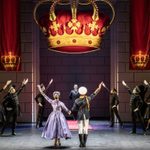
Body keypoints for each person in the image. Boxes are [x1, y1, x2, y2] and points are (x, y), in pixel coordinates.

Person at [37, 82, 72, 147]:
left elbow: (65, 108)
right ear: (54, 96)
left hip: (59, 116)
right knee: (54, 128)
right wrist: (39, 88)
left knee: (59, 128)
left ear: (58, 96)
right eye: (55, 95)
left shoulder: (59, 102)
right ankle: (57, 141)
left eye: (57, 95)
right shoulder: (52, 101)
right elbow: (44, 95)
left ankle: (57, 141)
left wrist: (68, 111)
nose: (56, 96)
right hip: (54, 116)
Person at [71, 82, 103, 147]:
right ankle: (84, 143)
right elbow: (94, 93)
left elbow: (73, 109)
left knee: (80, 129)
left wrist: (71, 112)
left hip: (80, 116)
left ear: (79, 92)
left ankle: (81, 143)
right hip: (86, 115)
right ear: (85, 92)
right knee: (85, 129)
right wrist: (99, 88)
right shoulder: (88, 98)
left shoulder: (76, 100)